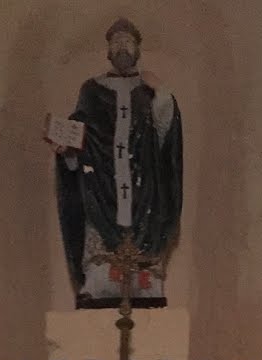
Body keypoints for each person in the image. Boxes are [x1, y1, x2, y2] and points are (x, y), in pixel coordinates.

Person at [51, 19, 184, 309]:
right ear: (108, 51)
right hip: (102, 186)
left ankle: (144, 283)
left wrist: (162, 94)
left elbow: (165, 136)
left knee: (146, 231)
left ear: (137, 49)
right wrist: (68, 151)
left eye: (128, 42)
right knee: (100, 237)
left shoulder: (148, 90)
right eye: (116, 42)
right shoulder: (92, 90)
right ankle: (100, 282)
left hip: (143, 186)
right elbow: (81, 135)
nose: (122, 47)